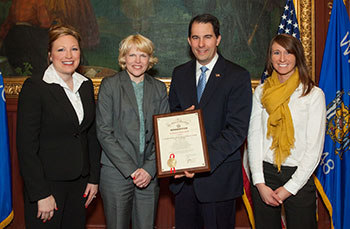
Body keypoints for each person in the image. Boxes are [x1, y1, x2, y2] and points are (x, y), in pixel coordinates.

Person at [168, 13, 252, 228]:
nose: (201, 44)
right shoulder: (180, 74)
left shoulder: (237, 75)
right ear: (189, 41)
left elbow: (237, 130)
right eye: (195, 37)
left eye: (207, 37)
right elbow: (171, 119)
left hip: (218, 179)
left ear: (218, 39)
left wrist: (202, 163)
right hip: (184, 182)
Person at [16, 24, 101, 228]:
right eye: (61, 49)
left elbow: (90, 135)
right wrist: (41, 193)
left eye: (74, 48)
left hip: (80, 184)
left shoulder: (85, 84)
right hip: (48, 186)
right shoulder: (35, 87)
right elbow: (26, 147)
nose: (68, 55)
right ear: (50, 55)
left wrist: (93, 179)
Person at [247, 34, 326, 229]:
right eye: (277, 52)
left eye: (288, 52)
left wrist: (289, 188)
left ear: (297, 56)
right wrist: (259, 182)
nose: (282, 58)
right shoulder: (261, 92)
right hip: (265, 175)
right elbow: (254, 137)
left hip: (299, 176)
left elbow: (314, 149)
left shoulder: (313, 94)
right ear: (270, 57)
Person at [96, 34, 169, 229]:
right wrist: (132, 170)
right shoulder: (109, 85)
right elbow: (104, 132)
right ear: (123, 58)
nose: (137, 61)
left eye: (143, 55)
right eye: (132, 55)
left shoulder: (159, 88)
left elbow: (163, 134)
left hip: (149, 174)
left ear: (150, 59)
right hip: (116, 173)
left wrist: (148, 169)